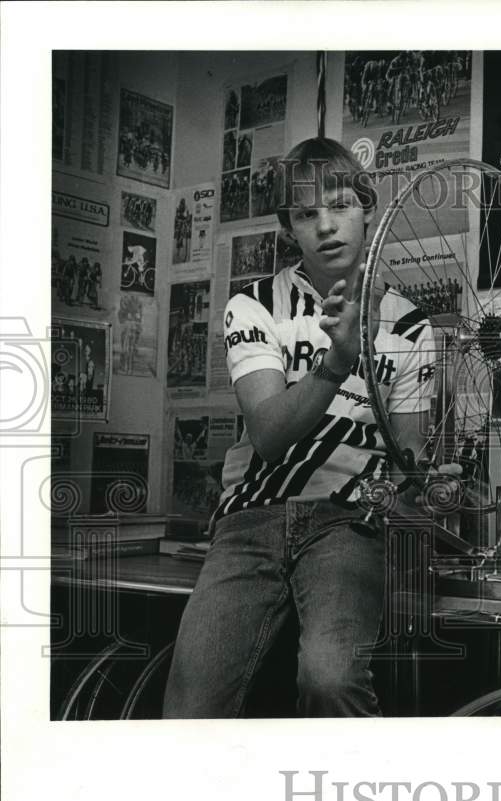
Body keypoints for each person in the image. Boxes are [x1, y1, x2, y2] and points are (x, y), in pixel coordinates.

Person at [163, 137, 438, 719]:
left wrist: (428, 481)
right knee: (190, 707)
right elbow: (267, 433)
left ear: (368, 206)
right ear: (289, 227)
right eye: (307, 214)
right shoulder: (255, 303)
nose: (327, 226)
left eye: (340, 205)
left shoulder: (411, 326)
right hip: (250, 520)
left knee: (330, 681)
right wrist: (335, 365)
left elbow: (409, 454)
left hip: (349, 524)